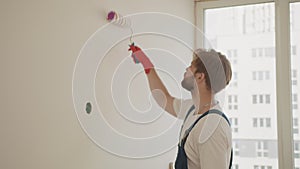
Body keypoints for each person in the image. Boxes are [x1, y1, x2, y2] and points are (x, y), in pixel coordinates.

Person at [128, 43, 233, 169]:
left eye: (191, 66)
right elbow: (165, 100)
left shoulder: (212, 128)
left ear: (200, 76)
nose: (186, 69)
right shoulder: (193, 109)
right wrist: (146, 64)